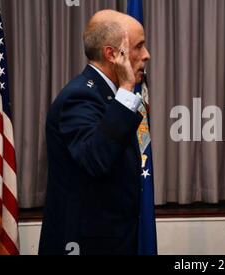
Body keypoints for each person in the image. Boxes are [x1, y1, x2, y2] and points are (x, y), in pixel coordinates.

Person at [39, 10, 151, 255]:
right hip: (85, 245)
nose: (146, 55)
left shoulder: (107, 93)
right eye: (139, 46)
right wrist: (126, 89)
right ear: (112, 54)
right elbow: (96, 159)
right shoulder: (80, 96)